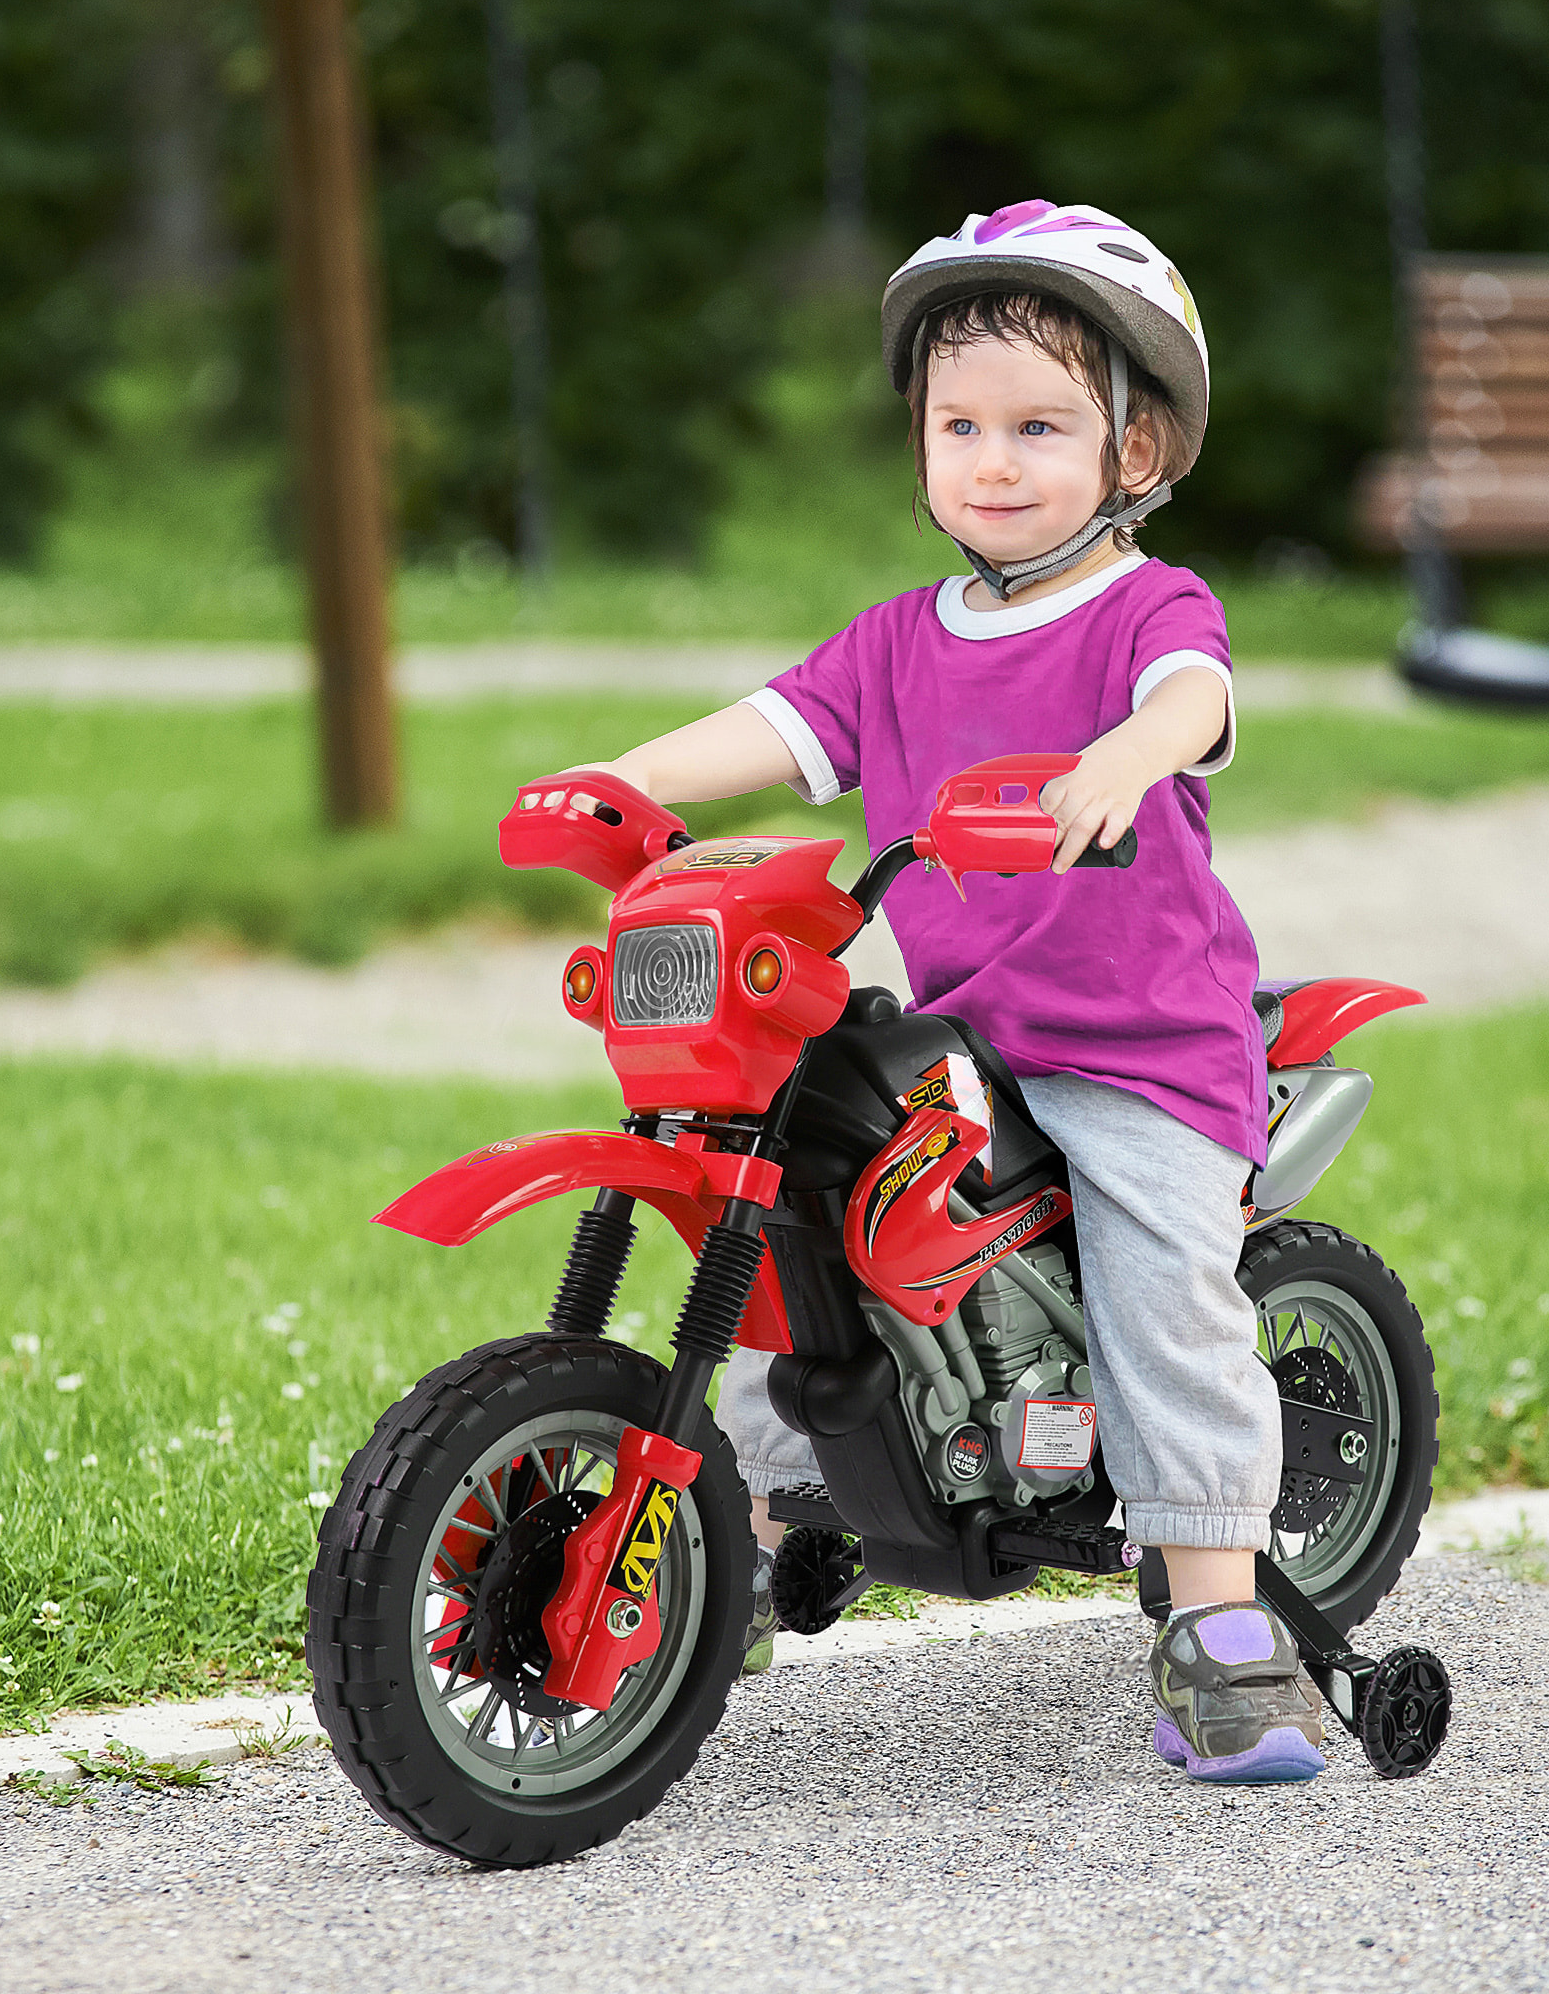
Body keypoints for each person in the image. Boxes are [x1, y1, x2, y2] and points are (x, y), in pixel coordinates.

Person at [565, 200, 1324, 1783]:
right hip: (969, 1035)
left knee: (1161, 1299)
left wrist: (1124, 754)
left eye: (1041, 426)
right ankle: (765, 1524)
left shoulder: (1144, 611)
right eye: (958, 423)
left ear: (1137, 449)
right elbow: (780, 728)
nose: (993, 459)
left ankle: (1221, 1620)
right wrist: (627, 775)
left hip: (1140, 1051)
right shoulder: (902, 638)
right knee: (795, 1211)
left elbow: (1197, 694)